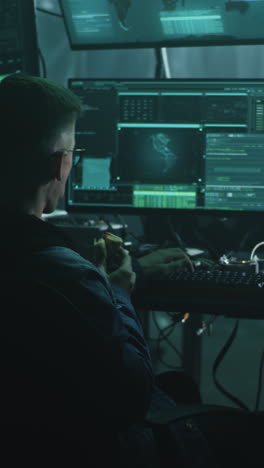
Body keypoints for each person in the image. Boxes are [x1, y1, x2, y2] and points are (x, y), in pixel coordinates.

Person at [0, 73, 259, 468]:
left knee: (180, 386)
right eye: (74, 151)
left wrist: (118, 277)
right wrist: (117, 294)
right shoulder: (67, 274)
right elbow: (133, 398)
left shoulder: (57, 269)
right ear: (59, 164)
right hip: (96, 446)